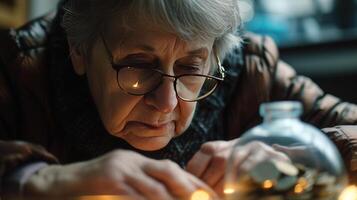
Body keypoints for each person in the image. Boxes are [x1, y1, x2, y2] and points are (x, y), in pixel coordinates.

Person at [1, 0, 357, 199]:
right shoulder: (20, 66)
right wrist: (40, 181)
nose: (167, 103)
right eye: (139, 66)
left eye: (190, 68)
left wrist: (294, 153)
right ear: (79, 51)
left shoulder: (250, 70)